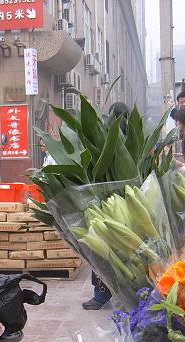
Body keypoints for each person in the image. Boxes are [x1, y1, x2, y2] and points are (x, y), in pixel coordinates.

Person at [82, 103, 130, 310]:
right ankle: (130, 292)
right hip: (128, 202)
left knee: (102, 251)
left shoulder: (105, 137)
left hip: (107, 202)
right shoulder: (134, 136)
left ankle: (101, 295)